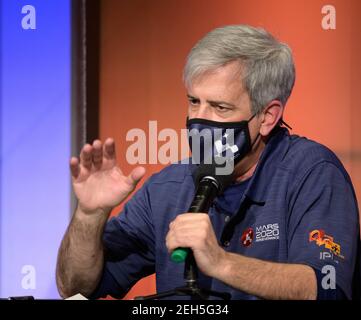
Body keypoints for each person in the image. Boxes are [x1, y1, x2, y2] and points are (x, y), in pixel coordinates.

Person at [56, 24, 360, 300]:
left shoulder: (313, 173)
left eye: (220, 107)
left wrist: (221, 263)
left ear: (267, 117)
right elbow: (76, 287)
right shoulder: (167, 187)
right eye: (193, 101)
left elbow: (328, 287)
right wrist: (90, 215)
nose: (200, 119)